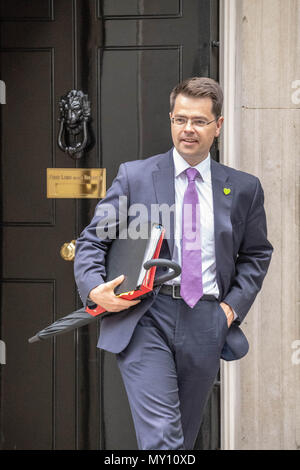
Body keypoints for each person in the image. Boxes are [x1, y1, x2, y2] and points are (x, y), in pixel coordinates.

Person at [74, 77, 273, 450]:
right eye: (180, 119)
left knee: (181, 438)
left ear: (218, 125)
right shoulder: (135, 177)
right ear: (170, 120)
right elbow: (92, 240)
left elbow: (257, 253)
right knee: (163, 437)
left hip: (208, 319)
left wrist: (230, 310)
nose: (188, 130)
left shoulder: (244, 188)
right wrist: (94, 288)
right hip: (146, 314)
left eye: (199, 121)